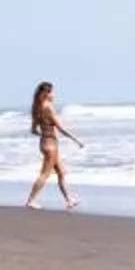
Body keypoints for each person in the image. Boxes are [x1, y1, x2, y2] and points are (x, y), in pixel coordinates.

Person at [25, 81, 83, 209]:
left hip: (45, 143)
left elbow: (34, 130)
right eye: (52, 92)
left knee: (61, 172)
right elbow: (60, 128)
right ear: (46, 93)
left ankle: (69, 200)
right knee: (44, 174)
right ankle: (30, 201)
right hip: (51, 144)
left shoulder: (36, 107)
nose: (54, 94)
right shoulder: (48, 107)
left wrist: (44, 134)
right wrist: (76, 140)